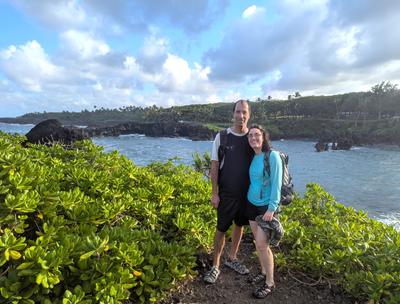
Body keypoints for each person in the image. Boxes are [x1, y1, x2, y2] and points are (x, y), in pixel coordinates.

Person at [203, 100, 254, 284]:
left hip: (247, 195)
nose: (241, 116)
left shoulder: (253, 138)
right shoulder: (222, 137)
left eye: (244, 112)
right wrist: (214, 193)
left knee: (239, 225)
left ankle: (232, 258)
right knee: (221, 228)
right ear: (233, 114)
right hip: (226, 194)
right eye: (238, 112)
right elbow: (214, 166)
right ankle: (215, 265)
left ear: (249, 115)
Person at [245, 124, 282, 299]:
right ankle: (263, 271)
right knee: (257, 242)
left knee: (262, 245)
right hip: (251, 204)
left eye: (256, 135)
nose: (253, 138)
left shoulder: (272, 156)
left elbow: (277, 184)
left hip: (266, 207)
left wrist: (272, 208)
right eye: (250, 135)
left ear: (263, 136)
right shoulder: (254, 156)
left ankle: (270, 282)